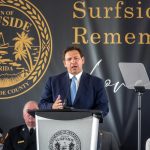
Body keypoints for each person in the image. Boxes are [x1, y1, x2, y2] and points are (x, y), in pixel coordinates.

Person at [39, 46, 109, 117]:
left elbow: (103, 107)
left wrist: (90, 117)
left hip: (86, 125)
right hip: (60, 124)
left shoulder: (96, 82)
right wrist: (52, 106)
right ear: (65, 63)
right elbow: (42, 104)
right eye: (69, 59)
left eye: (76, 58)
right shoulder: (53, 81)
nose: (73, 61)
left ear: (83, 60)